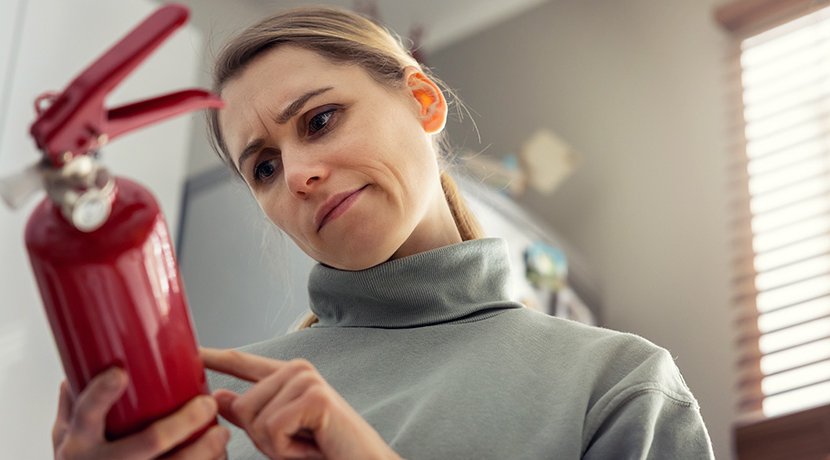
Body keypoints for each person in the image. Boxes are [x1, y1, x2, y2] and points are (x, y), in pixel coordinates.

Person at [51, 6, 716, 460]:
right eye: (264, 166)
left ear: (424, 101)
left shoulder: (616, 384)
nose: (300, 175)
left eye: (318, 121)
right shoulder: (213, 412)